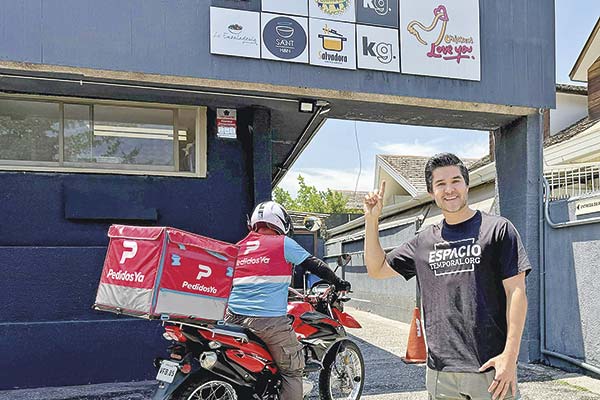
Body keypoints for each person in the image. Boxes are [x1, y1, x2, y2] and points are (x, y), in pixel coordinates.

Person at [364, 153, 530, 400]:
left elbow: (516, 293)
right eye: (440, 184)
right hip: (441, 374)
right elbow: (376, 269)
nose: (449, 189)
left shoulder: (497, 230)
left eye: (455, 181)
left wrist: (510, 355)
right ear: (432, 192)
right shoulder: (423, 242)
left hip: (490, 370)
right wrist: (371, 218)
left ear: (466, 184)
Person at [226, 200, 351, 400]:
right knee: (293, 369)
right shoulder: (283, 243)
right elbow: (316, 265)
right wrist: (339, 282)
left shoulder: (239, 246)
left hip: (232, 319)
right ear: (280, 222)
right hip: (267, 322)